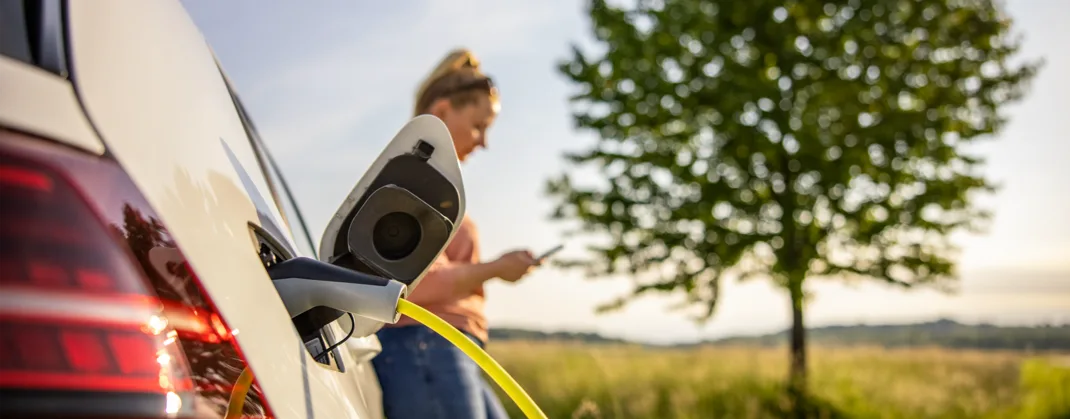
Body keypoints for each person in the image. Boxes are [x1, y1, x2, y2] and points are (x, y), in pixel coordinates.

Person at [371, 48, 539, 419]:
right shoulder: (412, 183)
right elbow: (413, 283)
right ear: (443, 112)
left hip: (444, 349)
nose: (484, 142)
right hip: (426, 346)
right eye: (479, 125)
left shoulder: (433, 186)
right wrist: (495, 269)